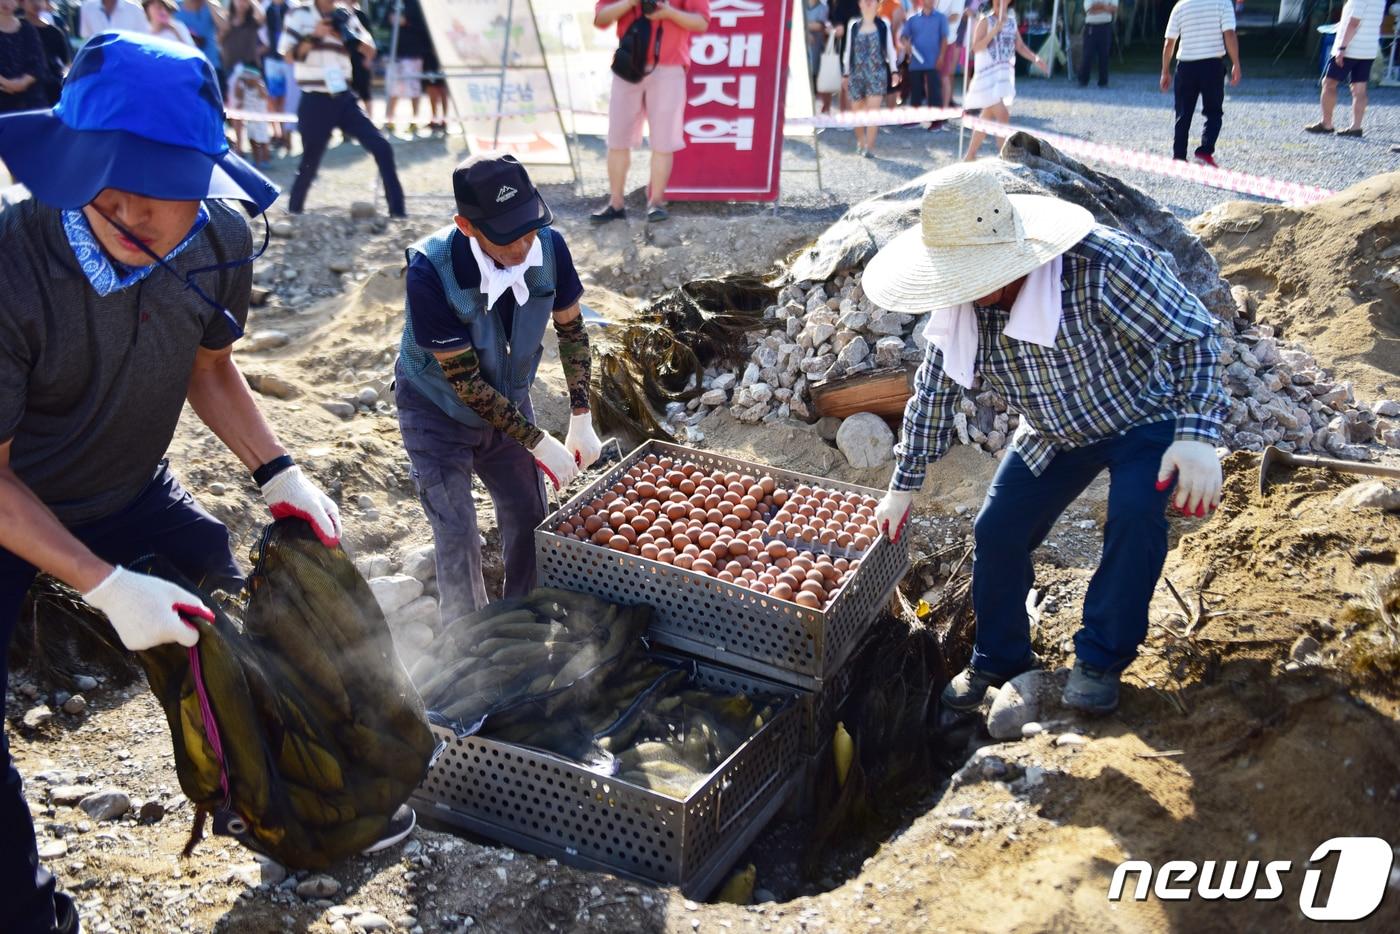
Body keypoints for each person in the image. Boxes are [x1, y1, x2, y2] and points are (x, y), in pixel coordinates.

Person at [0, 32, 416, 934]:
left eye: (177, 201)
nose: (158, 225)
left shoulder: (217, 232)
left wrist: (279, 471)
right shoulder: (11, 265)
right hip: (12, 498)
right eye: (132, 208)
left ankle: (290, 806)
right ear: (88, 184)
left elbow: (211, 370)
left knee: (241, 612)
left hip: (129, 486)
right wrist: (105, 586)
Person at [863, 163, 1226, 717]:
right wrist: (903, 483)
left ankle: (1100, 658)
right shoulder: (961, 303)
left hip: (1142, 416)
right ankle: (1000, 657)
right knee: (997, 528)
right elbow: (935, 387)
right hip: (1054, 428)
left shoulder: (1099, 265)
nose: (971, 291)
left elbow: (1193, 334)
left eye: (978, 274)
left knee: (1133, 514)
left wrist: (1198, 433)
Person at [395, 154, 602, 623]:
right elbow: (464, 382)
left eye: (529, 228)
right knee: (457, 530)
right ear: (466, 225)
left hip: (507, 396)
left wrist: (581, 416)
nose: (523, 244)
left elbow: (572, 332)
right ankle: (468, 642)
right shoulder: (431, 272)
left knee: (530, 512)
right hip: (437, 407)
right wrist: (534, 439)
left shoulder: (549, 248)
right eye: (507, 235)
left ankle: (524, 619)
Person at [278, 0, 405, 216]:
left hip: (344, 96)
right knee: (310, 159)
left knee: (381, 146)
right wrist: (315, 35)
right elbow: (289, 56)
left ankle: (398, 212)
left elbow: (370, 51)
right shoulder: (298, 14)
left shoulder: (346, 14)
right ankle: (294, 212)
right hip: (314, 98)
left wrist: (346, 38)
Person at [590, 0, 710, 225]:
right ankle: (616, 204)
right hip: (628, 63)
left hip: (670, 67)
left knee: (664, 141)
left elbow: (701, 22)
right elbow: (601, 18)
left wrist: (669, 12)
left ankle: (656, 203)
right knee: (617, 138)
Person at [961, 0, 1045, 160]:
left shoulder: (1012, 22)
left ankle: (970, 155)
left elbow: (1019, 46)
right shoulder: (985, 20)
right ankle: (1005, 158)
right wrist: (995, 30)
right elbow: (976, 47)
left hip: (1002, 77)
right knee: (1003, 115)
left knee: (987, 116)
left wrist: (1035, 59)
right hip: (987, 78)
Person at [1160, 0, 1240, 168]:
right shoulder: (1223, 3)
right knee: (1213, 111)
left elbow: (1169, 42)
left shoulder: (1180, 6)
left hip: (1185, 66)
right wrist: (1236, 63)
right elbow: (1230, 34)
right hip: (1212, 65)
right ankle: (1205, 150)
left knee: (1183, 112)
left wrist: (1165, 71)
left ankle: (1179, 155)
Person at [1304, 0, 1384, 137]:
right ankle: (1356, 127)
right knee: (1359, 88)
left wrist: (1342, 47)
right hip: (1368, 48)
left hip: (1351, 49)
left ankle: (1326, 123)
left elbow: (1353, 23)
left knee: (1329, 83)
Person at [843, 0, 897, 157]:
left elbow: (890, 49)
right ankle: (861, 142)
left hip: (876, 74)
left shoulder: (883, 24)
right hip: (856, 74)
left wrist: (894, 71)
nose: (868, 2)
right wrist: (846, 73)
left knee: (873, 112)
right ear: (859, 4)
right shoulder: (853, 25)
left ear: (877, 4)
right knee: (857, 113)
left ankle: (870, 147)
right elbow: (848, 51)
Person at [381, 0, 431, 135]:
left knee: (413, 88)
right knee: (392, 88)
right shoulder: (392, 2)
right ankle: (389, 121)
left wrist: (407, 22)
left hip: (413, 53)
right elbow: (383, 23)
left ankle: (414, 122)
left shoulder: (418, 4)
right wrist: (390, 20)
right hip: (395, 53)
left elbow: (426, 27)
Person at [901, 0, 947, 121]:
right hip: (916, 62)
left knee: (934, 92)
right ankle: (914, 120)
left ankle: (937, 121)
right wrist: (906, 44)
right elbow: (904, 36)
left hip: (933, 61)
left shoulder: (941, 18)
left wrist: (941, 57)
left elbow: (944, 39)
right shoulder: (912, 19)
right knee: (915, 92)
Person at [0, 0, 46, 114]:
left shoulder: (27, 28)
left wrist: (22, 83)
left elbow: (39, 63)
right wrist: (8, 83)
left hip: (31, 101)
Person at [20, 0, 68, 107]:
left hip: (51, 89)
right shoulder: (17, 29)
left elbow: (63, 62)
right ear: (22, 3)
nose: (36, 4)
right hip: (23, 88)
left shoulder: (54, 32)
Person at [176, 0, 228, 84]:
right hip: (186, 69)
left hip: (211, 67)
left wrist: (210, 3)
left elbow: (225, 26)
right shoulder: (176, 8)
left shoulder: (211, 6)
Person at [231, 61, 272, 165]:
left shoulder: (260, 85)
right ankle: (256, 160)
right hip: (249, 118)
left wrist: (258, 83)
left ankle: (265, 159)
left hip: (261, 118)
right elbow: (238, 96)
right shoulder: (243, 86)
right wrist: (237, 82)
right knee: (252, 140)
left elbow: (264, 96)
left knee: (263, 140)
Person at [934, 0, 965, 110]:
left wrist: (934, 23)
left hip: (947, 40)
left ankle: (944, 111)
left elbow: (955, 16)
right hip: (933, 39)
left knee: (944, 76)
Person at [1078, 0, 1116, 88]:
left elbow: (1114, 9)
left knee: (1104, 55)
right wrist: (1105, 7)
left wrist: (1099, 6)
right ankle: (1083, 80)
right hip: (1091, 26)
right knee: (1088, 54)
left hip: (1106, 26)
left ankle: (1103, 81)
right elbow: (1089, 10)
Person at [805, 0, 833, 113]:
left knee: (815, 88)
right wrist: (807, 31)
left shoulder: (823, 7)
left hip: (816, 55)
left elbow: (820, 25)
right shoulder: (800, 4)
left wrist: (803, 26)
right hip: (801, 56)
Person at [78, 0, 146, 36]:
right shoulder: (87, 7)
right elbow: (86, 39)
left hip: (127, 61)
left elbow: (142, 41)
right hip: (98, 60)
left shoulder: (135, 10)